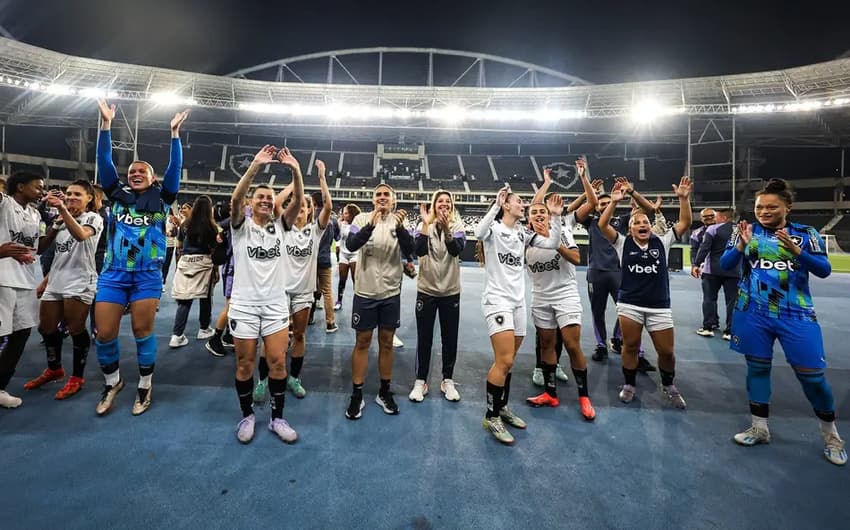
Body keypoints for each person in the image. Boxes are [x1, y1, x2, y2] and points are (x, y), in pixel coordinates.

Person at [721, 179, 845, 466]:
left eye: (771, 207)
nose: (763, 211)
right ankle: (759, 428)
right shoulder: (746, 231)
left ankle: (831, 436)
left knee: (813, 378)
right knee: (757, 370)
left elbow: (825, 270)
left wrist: (797, 252)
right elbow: (726, 265)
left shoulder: (805, 233)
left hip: (796, 314)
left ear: (787, 207)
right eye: (759, 206)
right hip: (752, 312)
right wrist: (740, 246)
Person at [92, 98, 188, 416]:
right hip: (114, 272)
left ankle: (145, 385)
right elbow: (103, 158)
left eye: (142, 171)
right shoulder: (116, 195)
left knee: (141, 331)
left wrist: (174, 134)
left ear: (151, 178)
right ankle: (113, 382)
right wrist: (106, 124)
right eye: (132, 170)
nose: (135, 173)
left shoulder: (163, 199)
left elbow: (175, 168)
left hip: (147, 273)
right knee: (104, 333)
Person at [475, 185, 562, 445]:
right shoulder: (494, 230)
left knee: (509, 361)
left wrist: (555, 217)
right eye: (519, 202)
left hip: (518, 303)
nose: (523, 205)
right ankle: (491, 415)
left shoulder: (523, 234)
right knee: (503, 360)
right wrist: (495, 203)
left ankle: (502, 407)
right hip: (497, 301)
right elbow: (478, 232)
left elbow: (553, 244)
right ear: (506, 205)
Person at [228, 145, 304, 444]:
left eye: (269, 198)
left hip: (274, 306)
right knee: (245, 364)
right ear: (252, 201)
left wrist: (296, 171)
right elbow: (235, 198)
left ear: (274, 205)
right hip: (244, 306)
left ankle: (277, 418)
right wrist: (255, 167)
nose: (265, 200)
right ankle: (247, 415)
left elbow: (298, 199)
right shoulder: (240, 226)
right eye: (260, 196)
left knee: (277, 363)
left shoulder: (281, 226)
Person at [598, 177, 692, 408]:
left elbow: (685, 221)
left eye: (645, 222)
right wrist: (613, 202)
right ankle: (629, 384)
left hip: (659, 305)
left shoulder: (663, 240)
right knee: (630, 346)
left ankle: (669, 385)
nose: (642, 224)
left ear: (650, 226)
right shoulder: (621, 243)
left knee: (667, 352)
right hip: (630, 304)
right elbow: (602, 225)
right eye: (637, 222)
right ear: (630, 228)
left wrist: (683, 198)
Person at [255, 159, 332, 401]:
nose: (300, 210)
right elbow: (277, 203)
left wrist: (321, 177)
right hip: (278, 291)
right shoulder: (282, 227)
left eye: (304, 207)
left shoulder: (315, 231)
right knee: (269, 337)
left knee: (299, 335)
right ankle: (263, 379)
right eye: (297, 207)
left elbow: (328, 206)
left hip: (303, 293)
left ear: (310, 211)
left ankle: (294, 377)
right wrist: (292, 182)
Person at [24, 181, 103, 400]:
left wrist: (62, 210)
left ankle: (77, 377)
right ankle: (54, 368)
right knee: (46, 328)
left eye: (78, 194)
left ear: (89, 198)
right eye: (69, 194)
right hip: (57, 281)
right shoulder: (61, 219)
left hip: (80, 281)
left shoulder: (93, 218)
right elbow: (48, 250)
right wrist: (46, 280)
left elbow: (80, 235)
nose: (72, 197)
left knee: (76, 328)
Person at [343, 184, 415, 420]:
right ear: (373, 200)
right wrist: (371, 225)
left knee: (386, 342)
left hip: (390, 292)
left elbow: (412, 251)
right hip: (365, 292)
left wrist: (402, 228)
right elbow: (351, 245)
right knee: (362, 342)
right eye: (378, 195)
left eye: (387, 195)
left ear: (394, 200)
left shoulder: (399, 221)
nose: (382, 198)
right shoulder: (362, 218)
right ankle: (357, 393)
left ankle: (384, 391)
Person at [523, 196, 596, 421]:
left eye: (541, 211)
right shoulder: (525, 239)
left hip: (565, 295)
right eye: (533, 212)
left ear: (548, 214)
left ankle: (584, 396)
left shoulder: (562, 230)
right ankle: (550, 393)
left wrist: (555, 240)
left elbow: (576, 257)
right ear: (528, 218)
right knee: (546, 344)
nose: (538, 215)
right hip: (541, 297)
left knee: (572, 345)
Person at [530, 160, 598, 386]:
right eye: (543, 207)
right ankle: (541, 366)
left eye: (548, 207)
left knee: (563, 334)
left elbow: (591, 203)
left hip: (564, 291)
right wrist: (547, 183)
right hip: (543, 291)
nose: (544, 210)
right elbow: (535, 205)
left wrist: (583, 178)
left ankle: (555, 364)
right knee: (545, 335)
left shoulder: (565, 222)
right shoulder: (534, 227)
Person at [580, 178, 658, 374]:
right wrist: (587, 186)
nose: (605, 205)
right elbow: (579, 208)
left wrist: (632, 192)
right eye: (602, 204)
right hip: (596, 273)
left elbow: (649, 211)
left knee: (628, 312)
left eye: (609, 202)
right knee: (597, 311)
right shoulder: (591, 222)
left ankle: (624, 343)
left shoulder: (622, 221)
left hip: (619, 273)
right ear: (597, 207)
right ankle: (600, 345)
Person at [408, 190, 465, 403]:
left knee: (450, 339)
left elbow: (455, 250)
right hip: (427, 290)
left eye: (447, 202)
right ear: (433, 205)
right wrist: (425, 225)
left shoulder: (458, 226)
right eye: (440, 201)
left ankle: (447, 380)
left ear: (452, 206)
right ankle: (420, 381)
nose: (444, 204)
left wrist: (447, 228)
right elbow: (419, 251)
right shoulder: (423, 226)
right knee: (424, 338)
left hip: (450, 291)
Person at [0, 171, 45, 408]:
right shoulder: (4, 204)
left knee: (21, 335)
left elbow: (36, 248)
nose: (41, 192)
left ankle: (0, 386)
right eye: (37, 187)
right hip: (2, 279)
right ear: (20, 187)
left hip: (25, 281)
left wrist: (58, 228)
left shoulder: (35, 214)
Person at [168, 195, 220, 348]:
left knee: (184, 299)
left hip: (186, 260)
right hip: (204, 262)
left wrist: (179, 264)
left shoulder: (185, 224)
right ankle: (204, 329)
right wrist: (215, 270)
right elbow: (214, 250)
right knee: (206, 298)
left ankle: (177, 335)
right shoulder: (212, 226)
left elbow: (178, 246)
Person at [693, 208, 739, 340]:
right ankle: (729, 331)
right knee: (732, 301)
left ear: (724, 218)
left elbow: (704, 248)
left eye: (717, 217)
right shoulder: (741, 228)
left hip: (712, 270)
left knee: (709, 298)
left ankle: (708, 327)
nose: (715, 220)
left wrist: (696, 264)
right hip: (734, 270)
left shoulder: (713, 229)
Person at [311, 187, 339, 333]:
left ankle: (307, 318)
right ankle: (330, 323)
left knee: (308, 291)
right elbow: (337, 237)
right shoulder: (332, 219)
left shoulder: (309, 216)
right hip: (324, 258)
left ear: (314, 202)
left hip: (309, 260)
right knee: (327, 291)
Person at [690, 208, 718, 336]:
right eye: (705, 216)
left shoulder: (727, 230)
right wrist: (694, 264)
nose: (708, 218)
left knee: (730, 299)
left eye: (711, 215)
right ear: (701, 219)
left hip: (728, 268)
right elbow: (694, 250)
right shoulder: (697, 233)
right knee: (709, 297)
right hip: (707, 269)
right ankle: (711, 322)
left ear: (716, 216)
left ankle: (728, 327)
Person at [334, 203, 361, 311]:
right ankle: (339, 301)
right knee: (342, 280)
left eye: (345, 213)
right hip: (343, 254)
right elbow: (338, 238)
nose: (343, 215)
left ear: (351, 214)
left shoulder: (358, 224)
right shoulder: (341, 223)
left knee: (356, 280)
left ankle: (358, 301)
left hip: (355, 254)